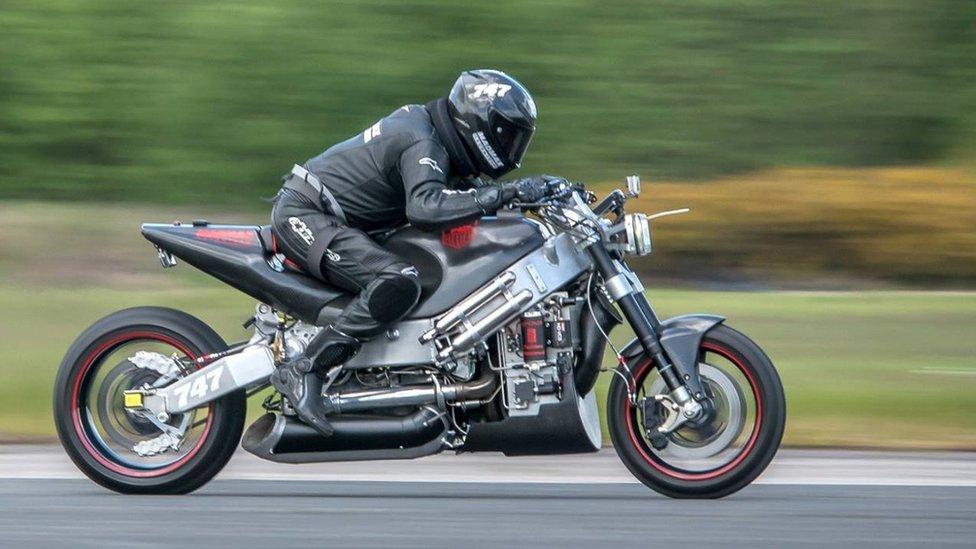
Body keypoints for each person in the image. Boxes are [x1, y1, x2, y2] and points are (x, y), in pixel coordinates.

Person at [270, 69, 561, 436]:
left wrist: (537, 194)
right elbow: (424, 208)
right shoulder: (422, 139)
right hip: (307, 214)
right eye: (506, 135)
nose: (510, 149)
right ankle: (305, 369)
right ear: (479, 121)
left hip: (339, 222)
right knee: (398, 279)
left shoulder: (440, 143)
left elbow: (466, 203)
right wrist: (505, 193)